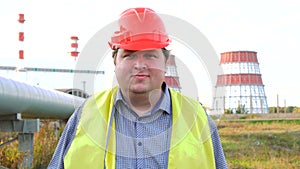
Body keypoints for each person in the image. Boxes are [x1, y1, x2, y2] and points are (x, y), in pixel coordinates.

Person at [48, 7, 228, 169]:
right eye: (129, 55)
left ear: (166, 62)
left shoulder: (196, 118)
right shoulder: (86, 114)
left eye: (150, 55)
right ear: (115, 61)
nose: (140, 65)